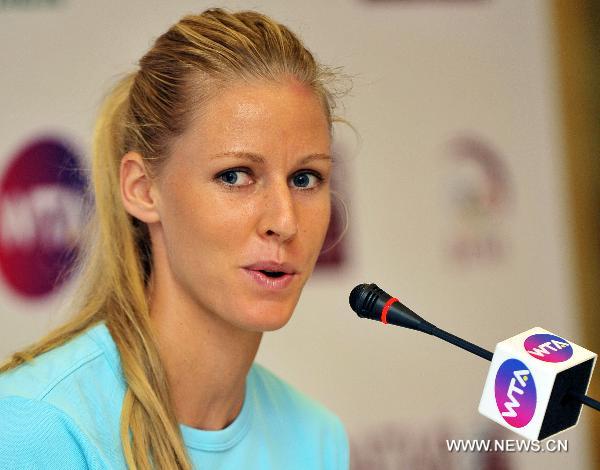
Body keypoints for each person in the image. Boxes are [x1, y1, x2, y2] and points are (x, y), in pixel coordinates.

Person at [0, 8, 349, 469]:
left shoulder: (317, 439)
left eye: (305, 178)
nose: (285, 222)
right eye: (236, 175)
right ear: (143, 189)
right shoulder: (38, 425)